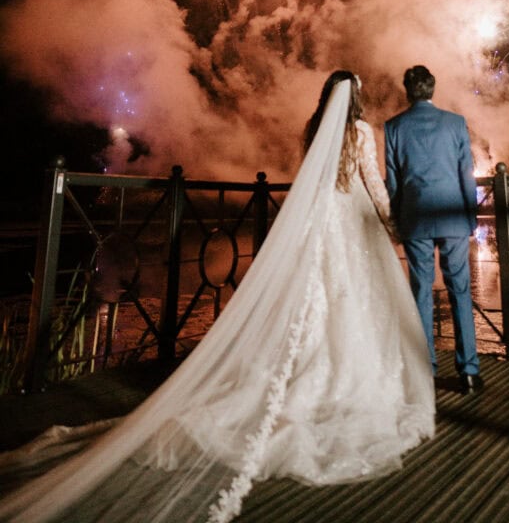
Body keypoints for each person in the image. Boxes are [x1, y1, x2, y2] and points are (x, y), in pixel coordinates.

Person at [0, 72, 434, 523]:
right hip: (351, 219)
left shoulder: (314, 126)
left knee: (315, 298)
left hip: (320, 221)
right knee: (352, 300)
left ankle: (304, 368)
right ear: (357, 98)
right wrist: (390, 224)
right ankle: (343, 375)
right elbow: (372, 180)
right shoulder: (360, 131)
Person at [384, 64, 483, 392]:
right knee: (461, 292)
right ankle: (468, 372)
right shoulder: (455, 123)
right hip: (453, 215)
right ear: (432, 89)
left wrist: (397, 221)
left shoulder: (394, 127)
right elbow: (466, 174)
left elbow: (394, 184)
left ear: (407, 91)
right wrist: (470, 217)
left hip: (416, 217)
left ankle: (424, 370)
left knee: (421, 292)